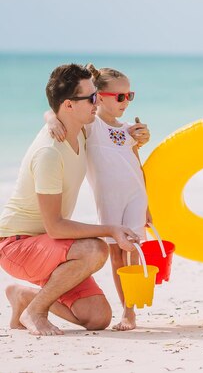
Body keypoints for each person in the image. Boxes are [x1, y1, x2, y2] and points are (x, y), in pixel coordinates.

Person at [0, 64, 140, 336]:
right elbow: (56, 227)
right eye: (90, 98)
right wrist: (111, 229)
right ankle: (36, 311)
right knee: (94, 250)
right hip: (16, 245)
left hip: (50, 246)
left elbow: (112, 138)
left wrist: (136, 137)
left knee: (98, 317)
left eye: (97, 94)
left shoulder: (82, 131)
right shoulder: (50, 153)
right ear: (68, 105)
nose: (97, 100)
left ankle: (26, 298)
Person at [45, 64, 151, 331]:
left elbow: (137, 165)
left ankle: (130, 312)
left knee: (136, 252)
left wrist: (148, 205)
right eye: (120, 97)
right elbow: (56, 110)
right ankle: (126, 308)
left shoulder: (130, 129)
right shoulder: (91, 127)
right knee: (117, 254)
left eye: (130, 96)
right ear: (98, 97)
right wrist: (51, 120)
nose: (126, 102)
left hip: (136, 196)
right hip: (110, 200)